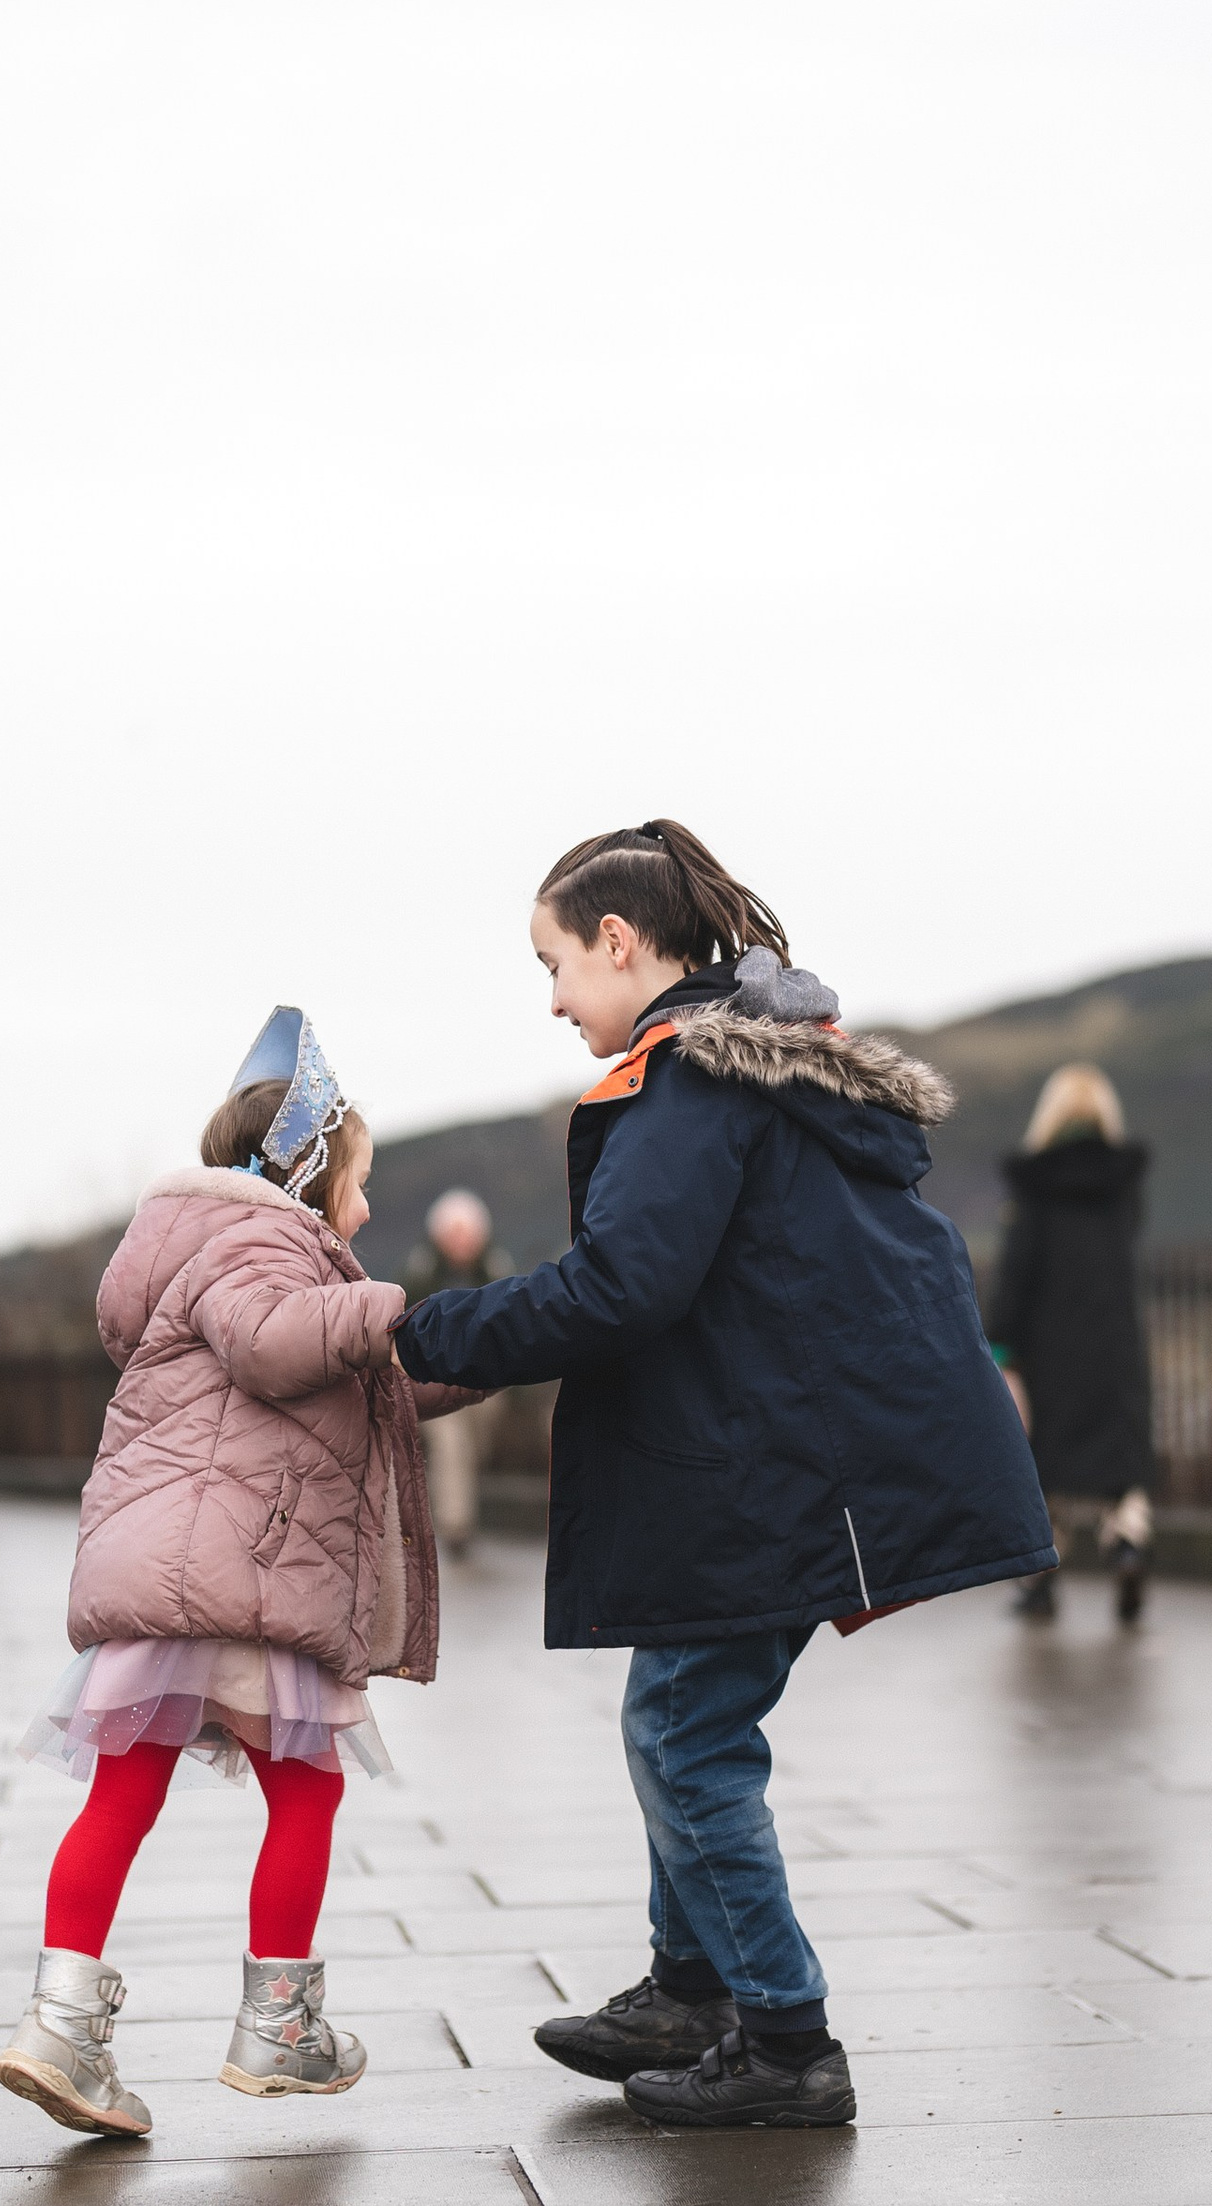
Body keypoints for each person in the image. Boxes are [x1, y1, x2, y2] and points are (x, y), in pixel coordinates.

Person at [396, 821, 1053, 2132]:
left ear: (621, 943)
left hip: (789, 1463)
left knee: (684, 1735)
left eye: (556, 963)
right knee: (678, 1702)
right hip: (800, 1444)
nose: (551, 997)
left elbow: (625, 1286)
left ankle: (785, 2037)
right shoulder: (738, 1068)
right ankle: (693, 1986)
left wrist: (415, 1333)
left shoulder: (690, 1077)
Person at [0, 1009, 480, 2137]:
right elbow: (274, 1338)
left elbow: (363, 1377)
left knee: (127, 1790)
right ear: (306, 1177)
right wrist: (397, 1307)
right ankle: (278, 2024)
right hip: (241, 1573)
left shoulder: (226, 1252)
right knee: (305, 1789)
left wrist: (481, 1348)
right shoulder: (253, 1244)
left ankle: (61, 2022)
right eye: (356, 1184)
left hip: (183, 1578)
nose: (363, 1211)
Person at [986, 1064, 1156, 1626]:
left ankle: (1040, 1581)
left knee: (1044, 1466)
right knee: (1121, 1464)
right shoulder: (1123, 1185)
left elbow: (1017, 1273)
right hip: (1115, 1344)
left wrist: (1002, 1346)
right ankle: (1127, 1544)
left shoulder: (1033, 1187)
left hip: (1049, 1349)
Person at [400, 1190, 513, 1554]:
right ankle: (456, 1529)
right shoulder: (420, 1271)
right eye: (454, 1233)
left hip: (487, 1383)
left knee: (469, 1444)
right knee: (451, 1441)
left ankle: (459, 1511)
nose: (462, 1241)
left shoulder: (497, 1269)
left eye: (467, 1233)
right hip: (434, 1378)